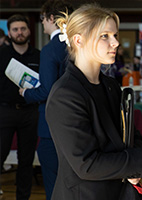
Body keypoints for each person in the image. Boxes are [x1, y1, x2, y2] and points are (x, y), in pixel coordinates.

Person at [45, 4, 142, 200]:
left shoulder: (110, 85)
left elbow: (130, 134)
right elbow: (87, 164)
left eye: (115, 35)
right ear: (79, 40)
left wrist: (136, 162)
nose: (116, 43)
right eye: (105, 36)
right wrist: (137, 162)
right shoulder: (65, 95)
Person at [18, 1, 73, 199]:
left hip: (52, 124)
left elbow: (48, 91)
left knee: (54, 183)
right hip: (75, 122)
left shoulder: (51, 49)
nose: (42, 23)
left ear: (52, 19)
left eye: (43, 19)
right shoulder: (77, 45)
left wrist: (26, 93)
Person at [0, 14, 40, 200]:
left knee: (26, 160)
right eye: (15, 29)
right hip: (5, 111)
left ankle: (22, 198)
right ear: (9, 33)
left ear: (29, 31)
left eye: (23, 28)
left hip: (30, 113)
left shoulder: (39, 56)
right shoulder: (1, 55)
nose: (19, 32)